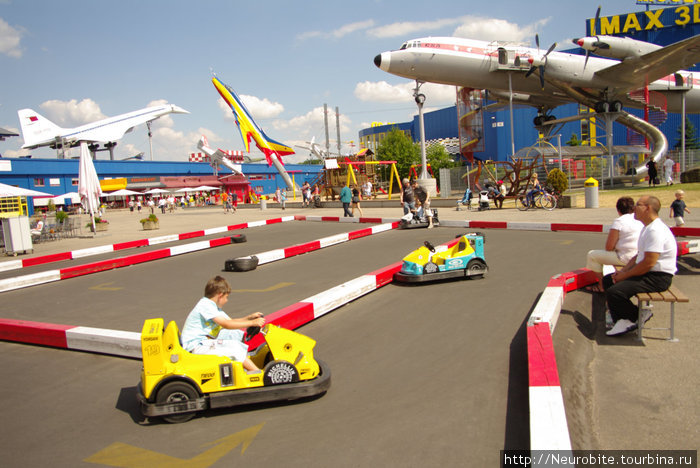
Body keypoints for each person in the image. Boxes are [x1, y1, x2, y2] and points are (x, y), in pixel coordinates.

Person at [603, 195, 677, 336]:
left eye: (638, 204)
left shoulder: (656, 230)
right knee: (609, 280)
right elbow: (638, 256)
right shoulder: (647, 227)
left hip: (658, 277)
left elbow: (648, 263)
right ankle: (622, 319)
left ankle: (634, 316)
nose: (634, 208)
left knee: (615, 291)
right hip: (649, 273)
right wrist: (622, 271)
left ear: (648, 208)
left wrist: (624, 275)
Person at [181, 276, 266, 371]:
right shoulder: (205, 305)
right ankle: (258, 373)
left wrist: (249, 318)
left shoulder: (213, 306)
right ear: (220, 295)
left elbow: (230, 322)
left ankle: (243, 364)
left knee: (235, 334)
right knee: (234, 348)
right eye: (226, 297)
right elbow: (226, 324)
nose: (227, 300)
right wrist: (252, 323)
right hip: (195, 346)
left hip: (203, 342)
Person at [585, 197, 643, 292]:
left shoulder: (619, 221)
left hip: (625, 258)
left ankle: (601, 286)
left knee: (592, 255)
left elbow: (609, 247)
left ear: (618, 210)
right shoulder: (639, 219)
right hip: (639, 257)